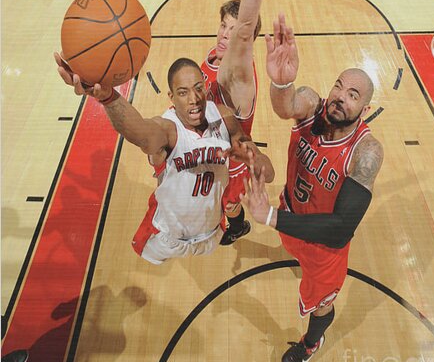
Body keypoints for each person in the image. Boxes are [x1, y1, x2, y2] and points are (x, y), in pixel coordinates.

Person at [241, 14, 384, 362]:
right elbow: (285, 105)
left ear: (364, 110)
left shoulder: (366, 152)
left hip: (322, 246)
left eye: (353, 96)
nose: (340, 98)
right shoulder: (313, 104)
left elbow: (339, 230)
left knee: (321, 302)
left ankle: (310, 342)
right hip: (292, 219)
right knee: (293, 251)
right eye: (339, 87)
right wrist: (279, 82)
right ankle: (294, 253)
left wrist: (273, 219)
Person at [54, 54, 274, 264]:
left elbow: (270, 173)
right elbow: (139, 132)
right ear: (171, 97)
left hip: (211, 232)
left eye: (198, 88)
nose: (194, 99)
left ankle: (234, 226)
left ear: (205, 87)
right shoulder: (168, 129)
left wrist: (252, 159)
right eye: (183, 92)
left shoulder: (224, 117)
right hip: (167, 236)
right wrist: (108, 98)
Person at [171, 0, 289, 245]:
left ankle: (237, 226)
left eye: (234, 30)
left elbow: (245, 27)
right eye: (223, 26)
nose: (226, 33)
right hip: (208, 146)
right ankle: (234, 222)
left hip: (230, 154)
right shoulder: (213, 55)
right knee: (220, 200)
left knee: (228, 201)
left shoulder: (237, 72)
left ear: (247, 38)